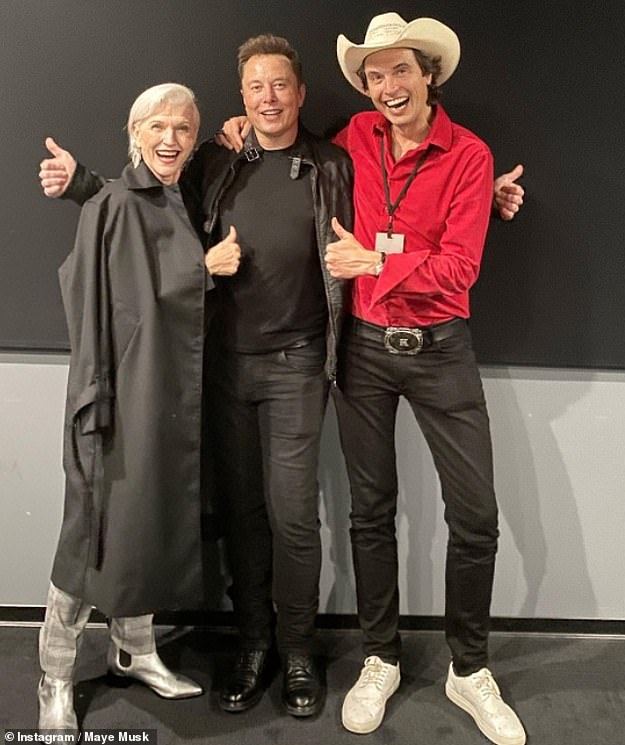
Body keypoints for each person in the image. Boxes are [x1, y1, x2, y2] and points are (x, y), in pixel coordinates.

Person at [38, 35, 353, 719]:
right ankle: (241, 649)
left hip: (274, 368)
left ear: (299, 93)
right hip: (182, 377)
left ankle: (290, 651)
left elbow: (142, 205)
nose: (267, 98)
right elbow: (126, 219)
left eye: (280, 85)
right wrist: (86, 184)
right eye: (255, 87)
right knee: (169, 520)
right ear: (241, 97)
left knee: (284, 517)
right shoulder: (214, 164)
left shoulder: (321, 165)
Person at [321, 13, 526, 745]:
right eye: (374, 75)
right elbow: (296, 158)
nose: (386, 86)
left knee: (476, 516)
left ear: (429, 73)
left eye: (399, 70)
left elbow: (460, 269)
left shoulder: (469, 155)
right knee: (370, 512)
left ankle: (468, 669)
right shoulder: (353, 137)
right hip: (365, 350)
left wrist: (377, 262)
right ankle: (380, 655)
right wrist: (238, 132)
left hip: (440, 347)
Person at [37, 83, 208, 736]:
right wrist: (207, 269)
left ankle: (134, 648)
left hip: (159, 398)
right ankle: (53, 672)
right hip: (110, 398)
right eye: (158, 126)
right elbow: (118, 297)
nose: (171, 139)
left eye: (184, 129)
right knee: (90, 537)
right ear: (134, 133)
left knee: (141, 529)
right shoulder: (110, 203)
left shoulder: (171, 200)